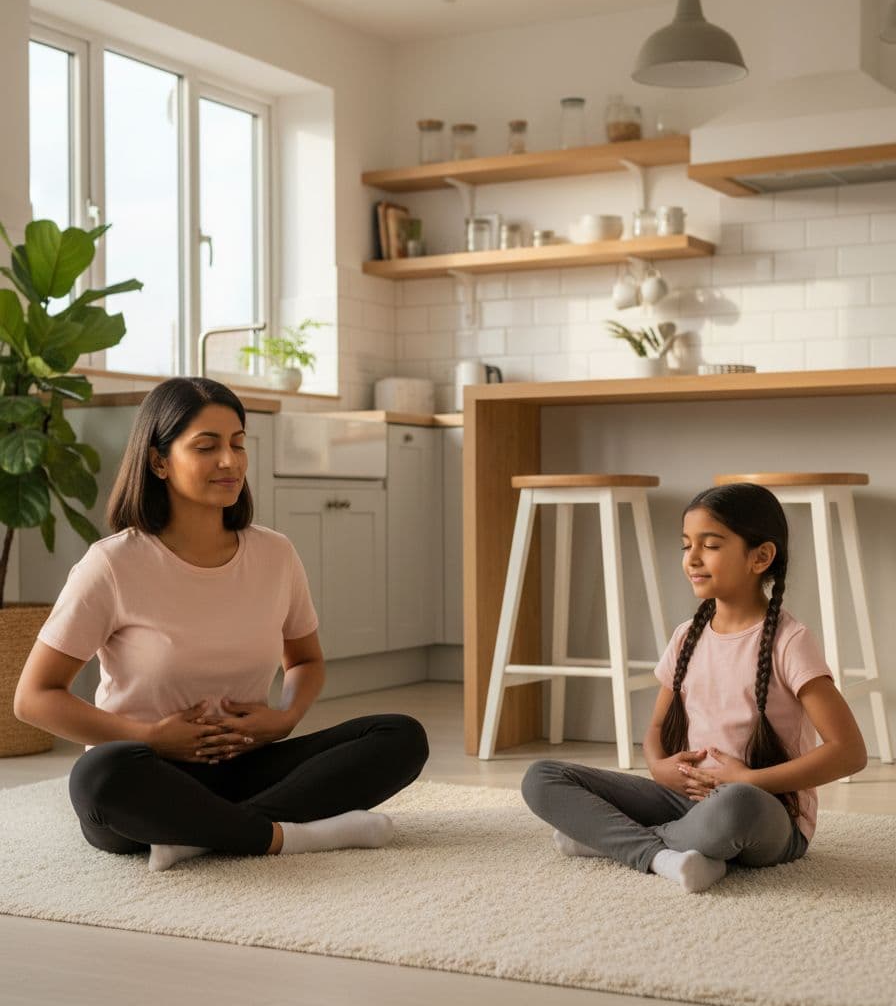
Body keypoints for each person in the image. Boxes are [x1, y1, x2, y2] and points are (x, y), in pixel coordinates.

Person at [15, 377, 429, 871]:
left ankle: (206, 834)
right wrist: (150, 738)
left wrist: (284, 717)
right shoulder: (112, 565)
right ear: (158, 461)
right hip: (148, 774)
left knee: (400, 736)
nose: (230, 461)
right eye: (207, 446)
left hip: (246, 767)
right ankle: (287, 836)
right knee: (98, 775)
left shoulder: (275, 554)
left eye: (238, 443)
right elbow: (34, 698)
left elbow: (305, 660)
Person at [522, 482, 867, 893]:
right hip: (684, 801)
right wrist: (657, 767)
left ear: (761, 557)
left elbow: (849, 752)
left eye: (711, 545)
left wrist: (748, 780)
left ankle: (609, 840)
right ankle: (666, 854)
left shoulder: (789, 642)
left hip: (764, 813)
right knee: (542, 777)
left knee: (735, 806)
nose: (693, 559)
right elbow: (654, 730)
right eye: (687, 545)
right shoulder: (687, 635)